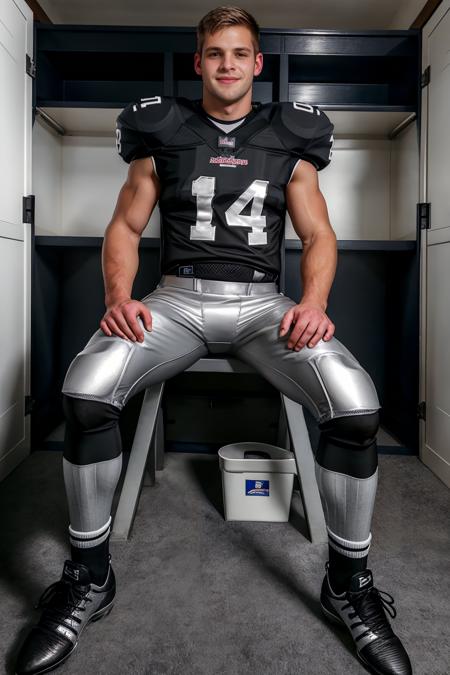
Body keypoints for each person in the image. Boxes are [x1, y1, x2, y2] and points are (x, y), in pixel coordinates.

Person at [15, 6, 412, 675]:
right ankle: (89, 574)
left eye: (239, 53)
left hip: (263, 306)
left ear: (257, 64)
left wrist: (313, 304)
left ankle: (349, 580)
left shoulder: (290, 132)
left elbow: (318, 234)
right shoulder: (160, 128)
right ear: (198, 62)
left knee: (356, 406)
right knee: (84, 392)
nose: (226, 64)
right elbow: (122, 225)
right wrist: (119, 298)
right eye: (214, 54)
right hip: (175, 298)